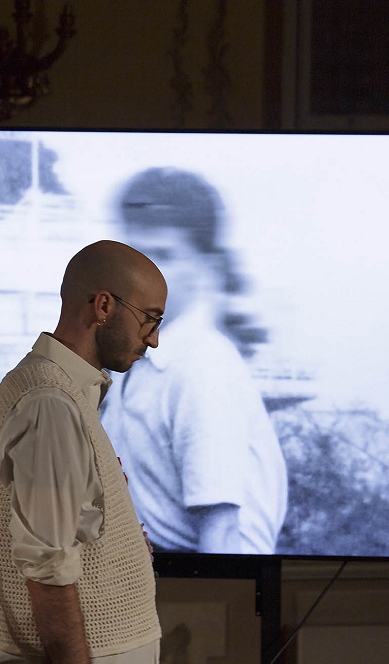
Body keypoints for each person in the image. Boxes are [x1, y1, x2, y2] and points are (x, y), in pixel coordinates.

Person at [0, 240, 167, 664]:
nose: (153, 339)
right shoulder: (50, 401)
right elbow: (48, 568)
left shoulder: (62, 394)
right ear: (104, 306)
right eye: (150, 319)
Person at [101, 167, 288, 554]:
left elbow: (221, 532)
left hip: (205, 574)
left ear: (206, 266)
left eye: (164, 256)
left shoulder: (202, 367)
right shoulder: (138, 356)